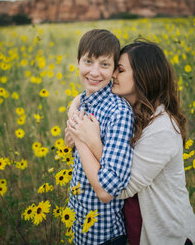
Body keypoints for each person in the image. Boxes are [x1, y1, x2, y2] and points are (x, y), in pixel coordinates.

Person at [68, 39, 195, 245]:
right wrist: (74, 109)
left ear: (143, 76)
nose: (113, 76)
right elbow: (88, 96)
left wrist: (85, 139)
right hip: (137, 229)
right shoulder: (134, 112)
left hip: (167, 235)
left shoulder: (162, 129)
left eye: (120, 69)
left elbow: (121, 185)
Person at [66, 29, 134, 245]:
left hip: (105, 235)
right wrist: (73, 139)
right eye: (88, 61)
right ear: (78, 62)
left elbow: (106, 191)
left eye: (104, 64)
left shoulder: (119, 112)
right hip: (78, 224)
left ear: (114, 70)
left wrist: (79, 138)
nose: (94, 72)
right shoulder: (85, 101)